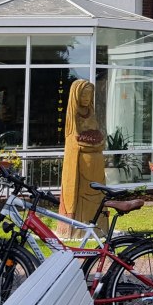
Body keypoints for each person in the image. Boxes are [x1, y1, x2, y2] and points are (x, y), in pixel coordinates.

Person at [60, 79, 106, 229]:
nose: (87, 99)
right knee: (83, 195)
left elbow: (97, 133)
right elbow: (74, 140)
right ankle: (77, 226)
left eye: (89, 95)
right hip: (82, 168)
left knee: (98, 193)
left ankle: (99, 225)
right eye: (84, 95)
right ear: (76, 95)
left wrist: (97, 142)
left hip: (96, 167)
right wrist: (88, 144)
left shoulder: (91, 112)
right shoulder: (73, 116)